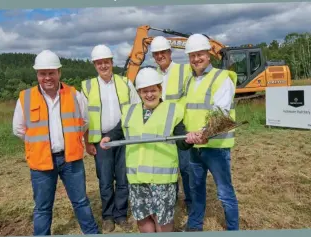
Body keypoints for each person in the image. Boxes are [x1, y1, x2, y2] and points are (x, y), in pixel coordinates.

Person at [99, 67, 207, 233]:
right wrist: (109, 136)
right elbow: (120, 129)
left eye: (153, 90)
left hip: (161, 180)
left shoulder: (172, 111)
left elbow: (181, 141)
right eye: (144, 91)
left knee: (162, 220)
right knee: (142, 218)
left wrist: (190, 139)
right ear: (139, 92)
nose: (149, 95)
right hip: (136, 179)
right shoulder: (130, 111)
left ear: (160, 90)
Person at [12, 50, 99, 235]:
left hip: (71, 160)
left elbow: (84, 122)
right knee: (42, 208)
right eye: (43, 73)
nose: (47, 77)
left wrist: (73, 139)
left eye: (51, 72)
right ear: (37, 74)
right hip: (41, 163)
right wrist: (38, 146)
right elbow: (18, 129)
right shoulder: (25, 98)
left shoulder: (75, 95)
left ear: (59, 72)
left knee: (81, 202)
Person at [181, 34, 239, 231]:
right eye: (192, 55)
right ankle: (195, 225)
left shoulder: (221, 78)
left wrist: (204, 133)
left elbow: (221, 114)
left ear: (208, 54)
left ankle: (233, 228)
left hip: (216, 147)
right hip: (195, 146)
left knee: (224, 191)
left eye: (200, 54)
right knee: (196, 189)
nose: (196, 59)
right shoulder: (190, 81)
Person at [80, 44, 141, 233]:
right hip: (101, 142)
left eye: (106, 62)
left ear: (112, 62)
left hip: (123, 139)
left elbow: (136, 109)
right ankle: (107, 216)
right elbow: (83, 118)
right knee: (105, 181)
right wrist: (88, 142)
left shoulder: (125, 83)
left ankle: (120, 214)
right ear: (94, 65)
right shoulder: (87, 86)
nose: (103, 66)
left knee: (123, 179)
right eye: (99, 63)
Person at [150, 36, 193, 213]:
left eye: (163, 52)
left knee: (186, 167)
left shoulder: (184, 70)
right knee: (168, 165)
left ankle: (190, 201)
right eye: (156, 54)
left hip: (180, 126)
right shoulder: (154, 75)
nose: (160, 56)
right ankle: (172, 197)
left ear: (170, 52)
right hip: (162, 128)